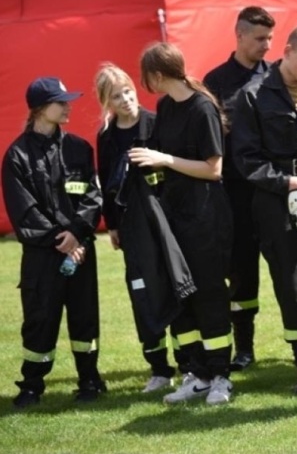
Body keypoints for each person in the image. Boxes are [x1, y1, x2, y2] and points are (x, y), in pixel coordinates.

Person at [231, 25, 297, 394]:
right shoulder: (253, 96)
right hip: (276, 202)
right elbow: (246, 159)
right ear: (287, 51)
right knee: (291, 289)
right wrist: (285, 182)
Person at [134, 43, 235, 405]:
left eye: (145, 75)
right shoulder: (165, 106)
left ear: (158, 74)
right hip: (176, 214)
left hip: (206, 216)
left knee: (209, 294)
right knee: (183, 296)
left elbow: (214, 169)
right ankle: (198, 374)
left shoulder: (202, 107)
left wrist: (163, 158)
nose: (144, 82)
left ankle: (222, 376)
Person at [3, 77, 104, 409]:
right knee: (40, 320)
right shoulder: (17, 156)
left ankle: (90, 379)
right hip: (44, 257)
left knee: (84, 317)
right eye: (61, 101)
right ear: (40, 109)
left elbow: (92, 196)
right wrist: (62, 240)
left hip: (80, 251)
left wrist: (77, 233)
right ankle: (32, 386)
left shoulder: (79, 148)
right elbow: (24, 211)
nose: (68, 105)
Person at [94, 64, 175, 394]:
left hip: (165, 222)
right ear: (107, 102)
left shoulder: (156, 123)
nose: (126, 99)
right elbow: (107, 183)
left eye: (128, 90)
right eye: (117, 95)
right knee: (142, 292)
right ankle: (158, 368)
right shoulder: (107, 136)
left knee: (174, 287)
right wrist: (112, 225)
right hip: (130, 227)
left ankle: (191, 363)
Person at [203, 6, 275, 372]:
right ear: (240, 35)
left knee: (291, 269)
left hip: (274, 191)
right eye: (260, 38)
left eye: (271, 38)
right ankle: (243, 348)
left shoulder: (277, 77)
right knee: (241, 272)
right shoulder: (215, 82)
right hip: (235, 193)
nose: (267, 45)